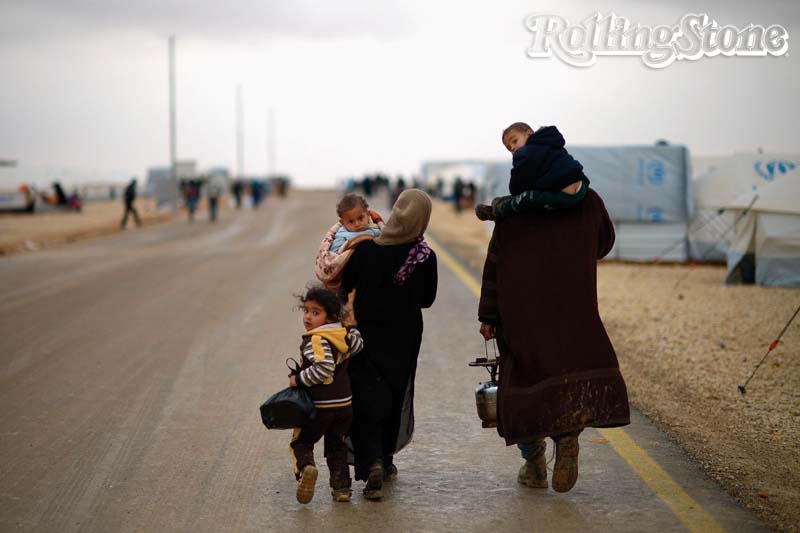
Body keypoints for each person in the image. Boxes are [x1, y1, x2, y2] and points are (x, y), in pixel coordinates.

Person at [477, 183, 629, 493]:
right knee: (565, 378)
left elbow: (495, 264)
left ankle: (534, 466)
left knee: (522, 386)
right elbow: (604, 243)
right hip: (572, 311)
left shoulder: (514, 207)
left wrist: (488, 315)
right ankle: (567, 437)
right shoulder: (587, 200)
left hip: (521, 314)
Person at [340, 189, 438, 500]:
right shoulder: (424, 257)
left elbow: (344, 288)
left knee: (367, 394)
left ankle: (372, 464)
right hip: (405, 336)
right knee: (395, 393)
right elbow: (427, 300)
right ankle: (386, 457)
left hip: (366, 335)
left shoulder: (366, 250)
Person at [289, 286, 364, 504]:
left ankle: (307, 469)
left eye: (315, 312)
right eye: (306, 310)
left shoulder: (316, 339)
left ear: (329, 316)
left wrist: (299, 379)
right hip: (344, 406)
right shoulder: (343, 334)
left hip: (320, 406)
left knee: (300, 442)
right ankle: (341, 489)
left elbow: (323, 369)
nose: (308, 317)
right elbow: (359, 345)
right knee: (337, 445)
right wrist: (351, 327)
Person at [475, 122, 589, 221]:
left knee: (525, 198)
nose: (513, 148)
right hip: (581, 188)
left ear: (529, 133)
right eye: (509, 148)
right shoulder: (551, 141)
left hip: (566, 197)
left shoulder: (525, 154)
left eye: (514, 141)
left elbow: (516, 189)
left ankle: (497, 209)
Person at [314, 194, 384, 291]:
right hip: (350, 276)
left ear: (367, 215)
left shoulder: (375, 228)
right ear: (343, 223)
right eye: (351, 221)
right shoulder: (342, 235)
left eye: (360, 218)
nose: (357, 224)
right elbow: (334, 255)